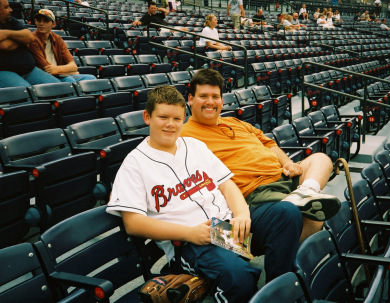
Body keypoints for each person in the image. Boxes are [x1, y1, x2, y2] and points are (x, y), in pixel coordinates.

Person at [106, 84, 303, 302]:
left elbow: (227, 185)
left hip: (226, 229)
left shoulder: (194, 145)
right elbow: (133, 223)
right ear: (147, 117)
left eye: (177, 119)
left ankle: (277, 295)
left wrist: (243, 214)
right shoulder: (134, 164)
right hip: (189, 242)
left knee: (287, 213)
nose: (170, 124)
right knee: (239, 278)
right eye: (163, 117)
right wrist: (189, 234)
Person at [180, 69, 342, 242]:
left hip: (282, 175)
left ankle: (304, 192)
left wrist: (287, 163)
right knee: (314, 218)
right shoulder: (183, 135)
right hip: (256, 190)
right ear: (190, 99)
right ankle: (288, 256)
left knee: (321, 159)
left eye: (215, 96)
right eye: (203, 96)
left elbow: (268, 143)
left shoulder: (233, 122)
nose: (210, 102)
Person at [0, 0, 60, 88]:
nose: (11, 10)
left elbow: (29, 37)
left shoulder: (10, 20)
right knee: (26, 92)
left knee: (60, 87)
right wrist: (22, 40)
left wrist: (6, 34)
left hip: (30, 70)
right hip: (4, 72)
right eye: (6, 7)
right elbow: (4, 45)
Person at [28, 9, 96, 83]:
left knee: (91, 78)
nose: (41, 23)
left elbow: (73, 66)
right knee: (69, 80)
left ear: (53, 24)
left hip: (59, 74)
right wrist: (68, 71)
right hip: (44, 76)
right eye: (38, 20)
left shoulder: (57, 38)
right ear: (35, 22)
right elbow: (46, 69)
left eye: (45, 21)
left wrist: (58, 70)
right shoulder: (33, 39)